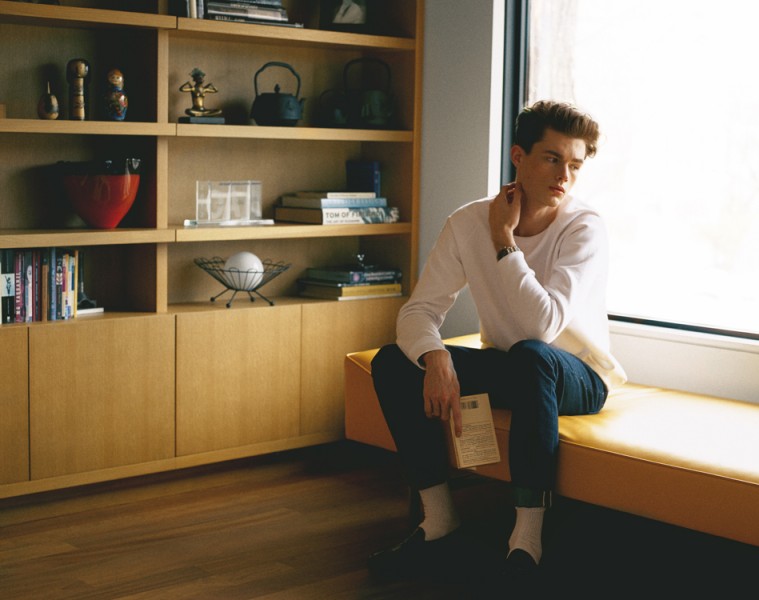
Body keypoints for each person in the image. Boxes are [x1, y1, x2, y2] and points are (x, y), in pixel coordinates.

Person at [368, 100, 627, 585]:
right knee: (393, 361)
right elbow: (418, 312)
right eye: (552, 159)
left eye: (575, 165)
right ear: (518, 156)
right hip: (514, 366)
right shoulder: (468, 222)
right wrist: (436, 356)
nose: (565, 176)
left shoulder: (583, 227)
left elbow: (542, 327)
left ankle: (526, 542)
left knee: (533, 356)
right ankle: (438, 520)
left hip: (578, 376)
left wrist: (505, 240)